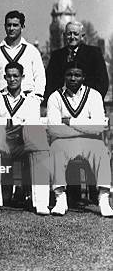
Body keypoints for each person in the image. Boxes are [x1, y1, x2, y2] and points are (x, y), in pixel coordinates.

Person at [0, 62, 50, 215]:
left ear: (22, 78)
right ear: (4, 77)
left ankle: (41, 202)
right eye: (9, 76)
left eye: (16, 76)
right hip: (3, 143)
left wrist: (5, 121)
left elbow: (32, 122)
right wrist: (12, 121)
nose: (12, 79)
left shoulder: (31, 99)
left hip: (23, 143)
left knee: (39, 143)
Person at [47, 62, 113, 217]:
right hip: (64, 141)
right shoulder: (55, 97)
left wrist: (70, 122)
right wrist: (85, 126)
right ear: (64, 76)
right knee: (56, 150)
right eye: (69, 74)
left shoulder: (94, 95)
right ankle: (60, 198)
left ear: (83, 77)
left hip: (90, 141)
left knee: (102, 152)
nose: (73, 78)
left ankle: (104, 199)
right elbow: (54, 129)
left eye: (77, 75)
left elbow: (98, 126)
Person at [45, 21, 108, 100]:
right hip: (62, 104)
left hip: (88, 103)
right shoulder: (56, 56)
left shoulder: (94, 53)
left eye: (76, 34)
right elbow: (50, 83)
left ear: (82, 36)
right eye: (69, 34)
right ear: (64, 35)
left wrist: (93, 102)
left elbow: (102, 82)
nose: (72, 37)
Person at [0, 11, 45, 101]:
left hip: (27, 99)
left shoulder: (32, 51)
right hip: (1, 101)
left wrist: (37, 97)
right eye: (9, 25)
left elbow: (40, 77)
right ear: (4, 27)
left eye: (15, 25)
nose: (11, 28)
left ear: (22, 27)